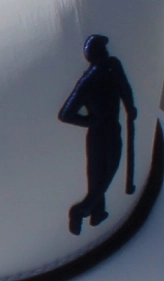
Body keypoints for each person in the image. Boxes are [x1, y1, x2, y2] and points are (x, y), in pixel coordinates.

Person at [58, 34, 137, 236]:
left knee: (96, 175)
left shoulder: (89, 79)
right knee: (109, 170)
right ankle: (82, 210)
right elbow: (125, 88)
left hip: (96, 133)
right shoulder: (112, 66)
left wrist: (93, 122)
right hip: (109, 129)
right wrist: (129, 108)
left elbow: (67, 114)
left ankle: (98, 212)